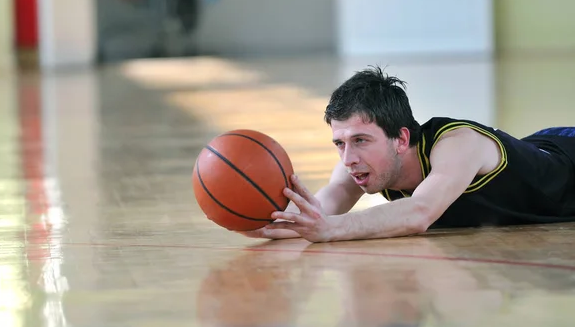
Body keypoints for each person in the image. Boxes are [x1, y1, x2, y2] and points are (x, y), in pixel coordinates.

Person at [239, 66, 575, 243]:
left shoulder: (459, 144)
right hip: (539, 151)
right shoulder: (361, 165)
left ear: (400, 138)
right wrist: (262, 224)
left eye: (360, 140)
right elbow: (320, 213)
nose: (348, 158)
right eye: (339, 143)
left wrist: (331, 229)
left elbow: (418, 213)